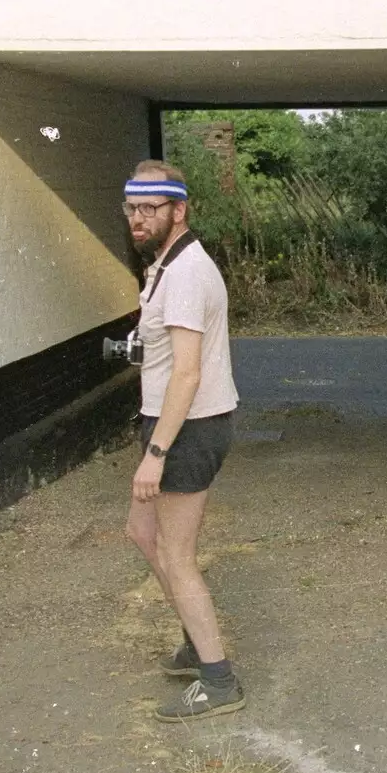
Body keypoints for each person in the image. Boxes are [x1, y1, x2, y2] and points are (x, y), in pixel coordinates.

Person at [119, 160, 243, 722]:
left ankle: (217, 679)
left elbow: (187, 374)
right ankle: (197, 643)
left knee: (176, 553)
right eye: (132, 209)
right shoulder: (166, 266)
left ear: (179, 210)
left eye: (151, 209)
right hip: (175, 423)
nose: (138, 219)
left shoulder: (187, 271)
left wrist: (156, 454)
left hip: (187, 430)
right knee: (142, 532)